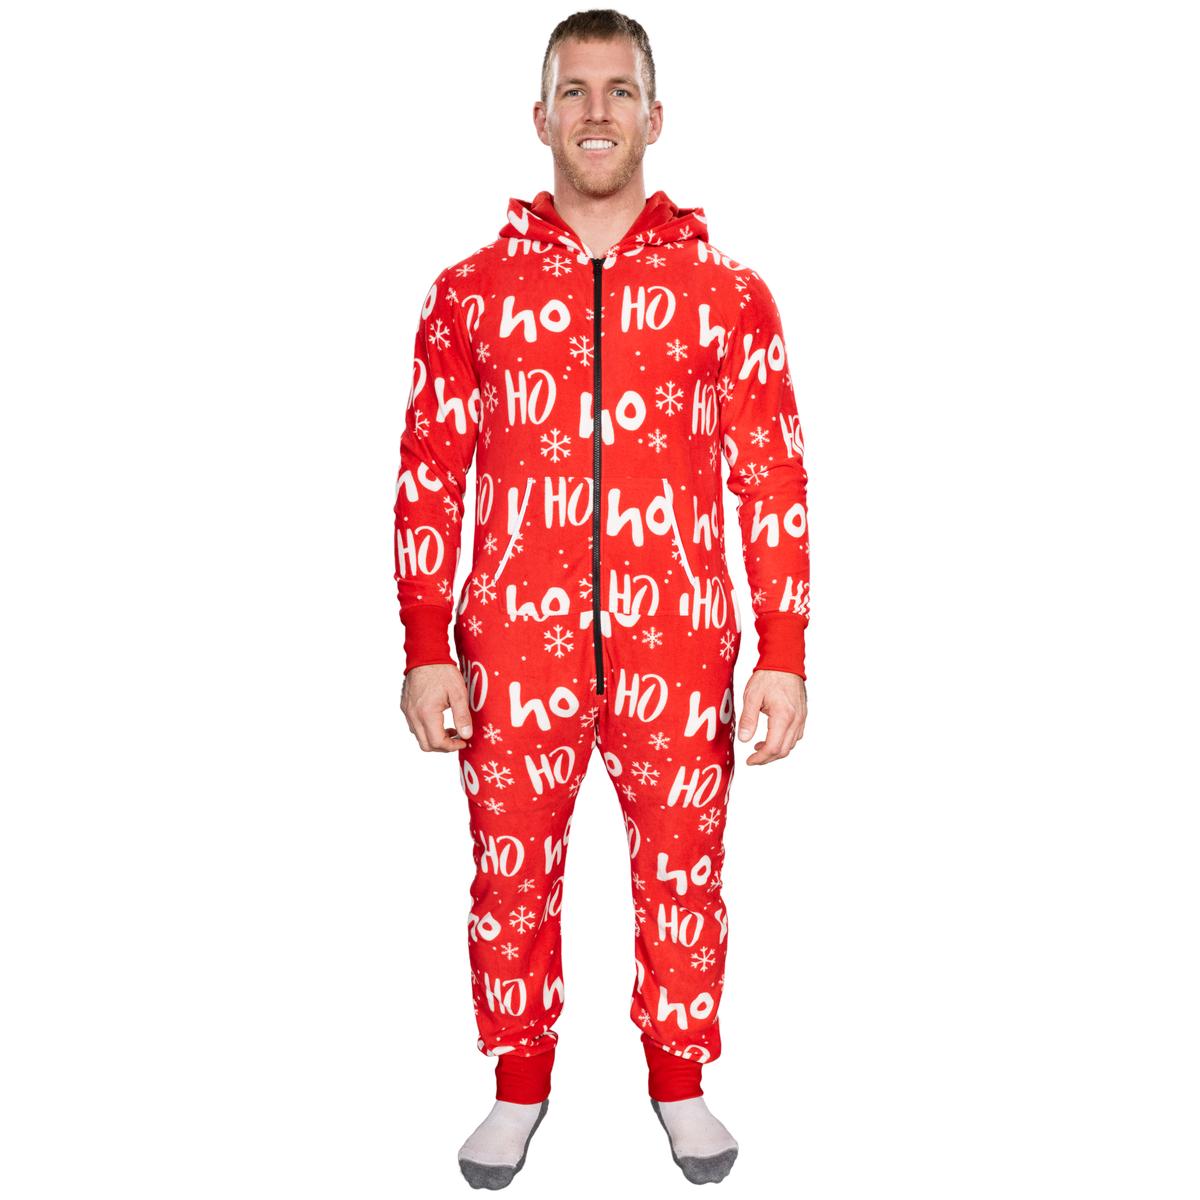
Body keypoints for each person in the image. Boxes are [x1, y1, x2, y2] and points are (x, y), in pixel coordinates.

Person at [393, 9, 809, 1187]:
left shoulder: (728, 295)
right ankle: (518, 1087)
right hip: (509, 650)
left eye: (619, 91)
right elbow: (431, 471)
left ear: (655, 118)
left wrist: (782, 648)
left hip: (678, 645)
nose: (595, 112)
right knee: (508, 875)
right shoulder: (469, 295)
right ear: (540, 117)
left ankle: (679, 1082)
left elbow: (771, 473)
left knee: (684, 872)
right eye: (573, 91)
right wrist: (426, 642)